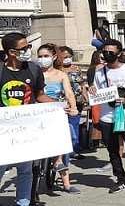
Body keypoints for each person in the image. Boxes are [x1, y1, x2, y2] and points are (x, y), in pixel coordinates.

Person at [0, 32, 54, 206]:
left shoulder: (33, 69)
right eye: (24, 48)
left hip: (26, 131)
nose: (28, 51)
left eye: (28, 46)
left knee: (25, 171)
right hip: (3, 131)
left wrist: (58, 106)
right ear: (11, 52)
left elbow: (39, 95)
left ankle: (23, 202)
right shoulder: (0, 71)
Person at [89, 39, 125, 194]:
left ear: (119, 53)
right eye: (105, 52)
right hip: (106, 117)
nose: (107, 54)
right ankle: (120, 179)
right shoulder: (99, 71)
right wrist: (91, 91)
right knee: (113, 151)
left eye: (111, 52)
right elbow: (94, 90)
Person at [37, 43, 80, 194]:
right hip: (37, 112)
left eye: (46, 56)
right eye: (40, 56)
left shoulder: (61, 75)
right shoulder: (34, 73)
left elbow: (69, 93)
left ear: (54, 57)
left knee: (65, 139)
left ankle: (66, 183)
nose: (43, 59)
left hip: (57, 111)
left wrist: (73, 107)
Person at [58, 46, 86, 157]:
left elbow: (82, 84)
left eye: (69, 56)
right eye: (65, 57)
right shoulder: (57, 70)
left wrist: (86, 98)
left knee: (74, 126)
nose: (67, 59)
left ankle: (74, 149)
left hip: (77, 101)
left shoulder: (76, 69)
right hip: (63, 102)